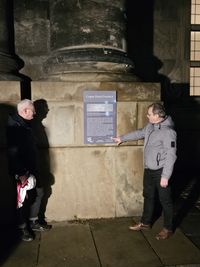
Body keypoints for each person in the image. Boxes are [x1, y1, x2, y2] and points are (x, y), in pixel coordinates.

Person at [112, 102, 177, 240]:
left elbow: (171, 155)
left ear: (158, 115)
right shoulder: (151, 126)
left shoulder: (168, 132)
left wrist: (165, 176)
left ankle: (168, 228)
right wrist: (121, 138)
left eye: (149, 114)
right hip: (149, 169)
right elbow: (139, 133)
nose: (147, 116)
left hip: (161, 171)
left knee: (165, 200)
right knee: (148, 196)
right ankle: (145, 223)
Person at [7, 99, 51, 242]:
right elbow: (13, 152)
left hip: (32, 168)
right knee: (22, 200)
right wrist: (21, 173)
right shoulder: (15, 126)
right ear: (25, 111)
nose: (36, 112)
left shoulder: (26, 124)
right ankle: (22, 228)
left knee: (40, 192)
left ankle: (33, 221)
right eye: (33, 110)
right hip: (22, 171)